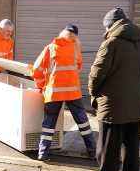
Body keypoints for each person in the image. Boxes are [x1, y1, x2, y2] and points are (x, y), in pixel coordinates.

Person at [89, 7, 140, 171]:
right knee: (131, 144)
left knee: (109, 145)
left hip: (113, 103)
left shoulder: (111, 43)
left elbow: (97, 73)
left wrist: (93, 93)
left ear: (110, 25)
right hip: (136, 101)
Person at [32, 24, 96, 161]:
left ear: (62, 33)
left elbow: (36, 69)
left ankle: (42, 153)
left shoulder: (50, 48)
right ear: (75, 37)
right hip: (73, 92)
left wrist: (41, 85)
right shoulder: (75, 49)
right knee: (83, 122)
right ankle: (92, 150)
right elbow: (77, 68)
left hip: (54, 91)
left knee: (49, 124)